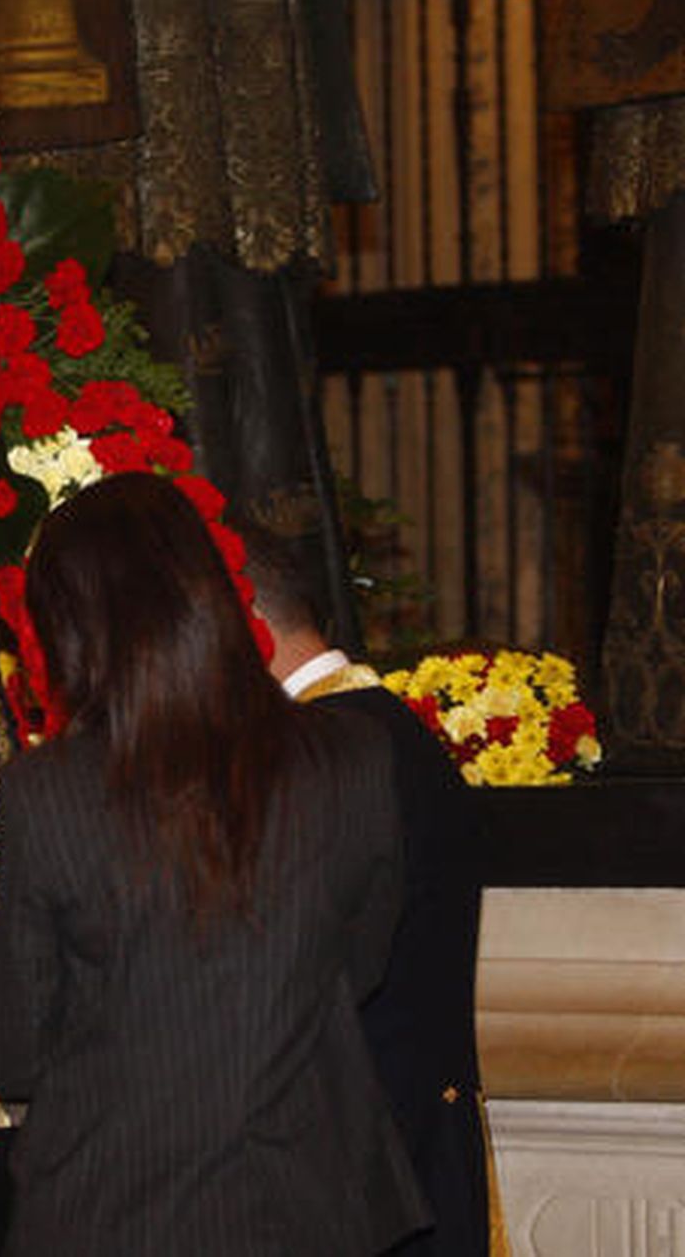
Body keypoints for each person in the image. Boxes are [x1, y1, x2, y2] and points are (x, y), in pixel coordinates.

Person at [0, 473, 430, 1254]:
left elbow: (16, 1050)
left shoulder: (45, 794)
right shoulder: (354, 759)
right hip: (308, 1211)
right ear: (213, 595)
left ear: (72, 630)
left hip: (112, 1212)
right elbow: (358, 965)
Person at [235, 519, 491, 1257]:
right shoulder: (381, 728)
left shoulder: (317, 757)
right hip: (411, 1151)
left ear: (240, 623)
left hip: (358, 1173)